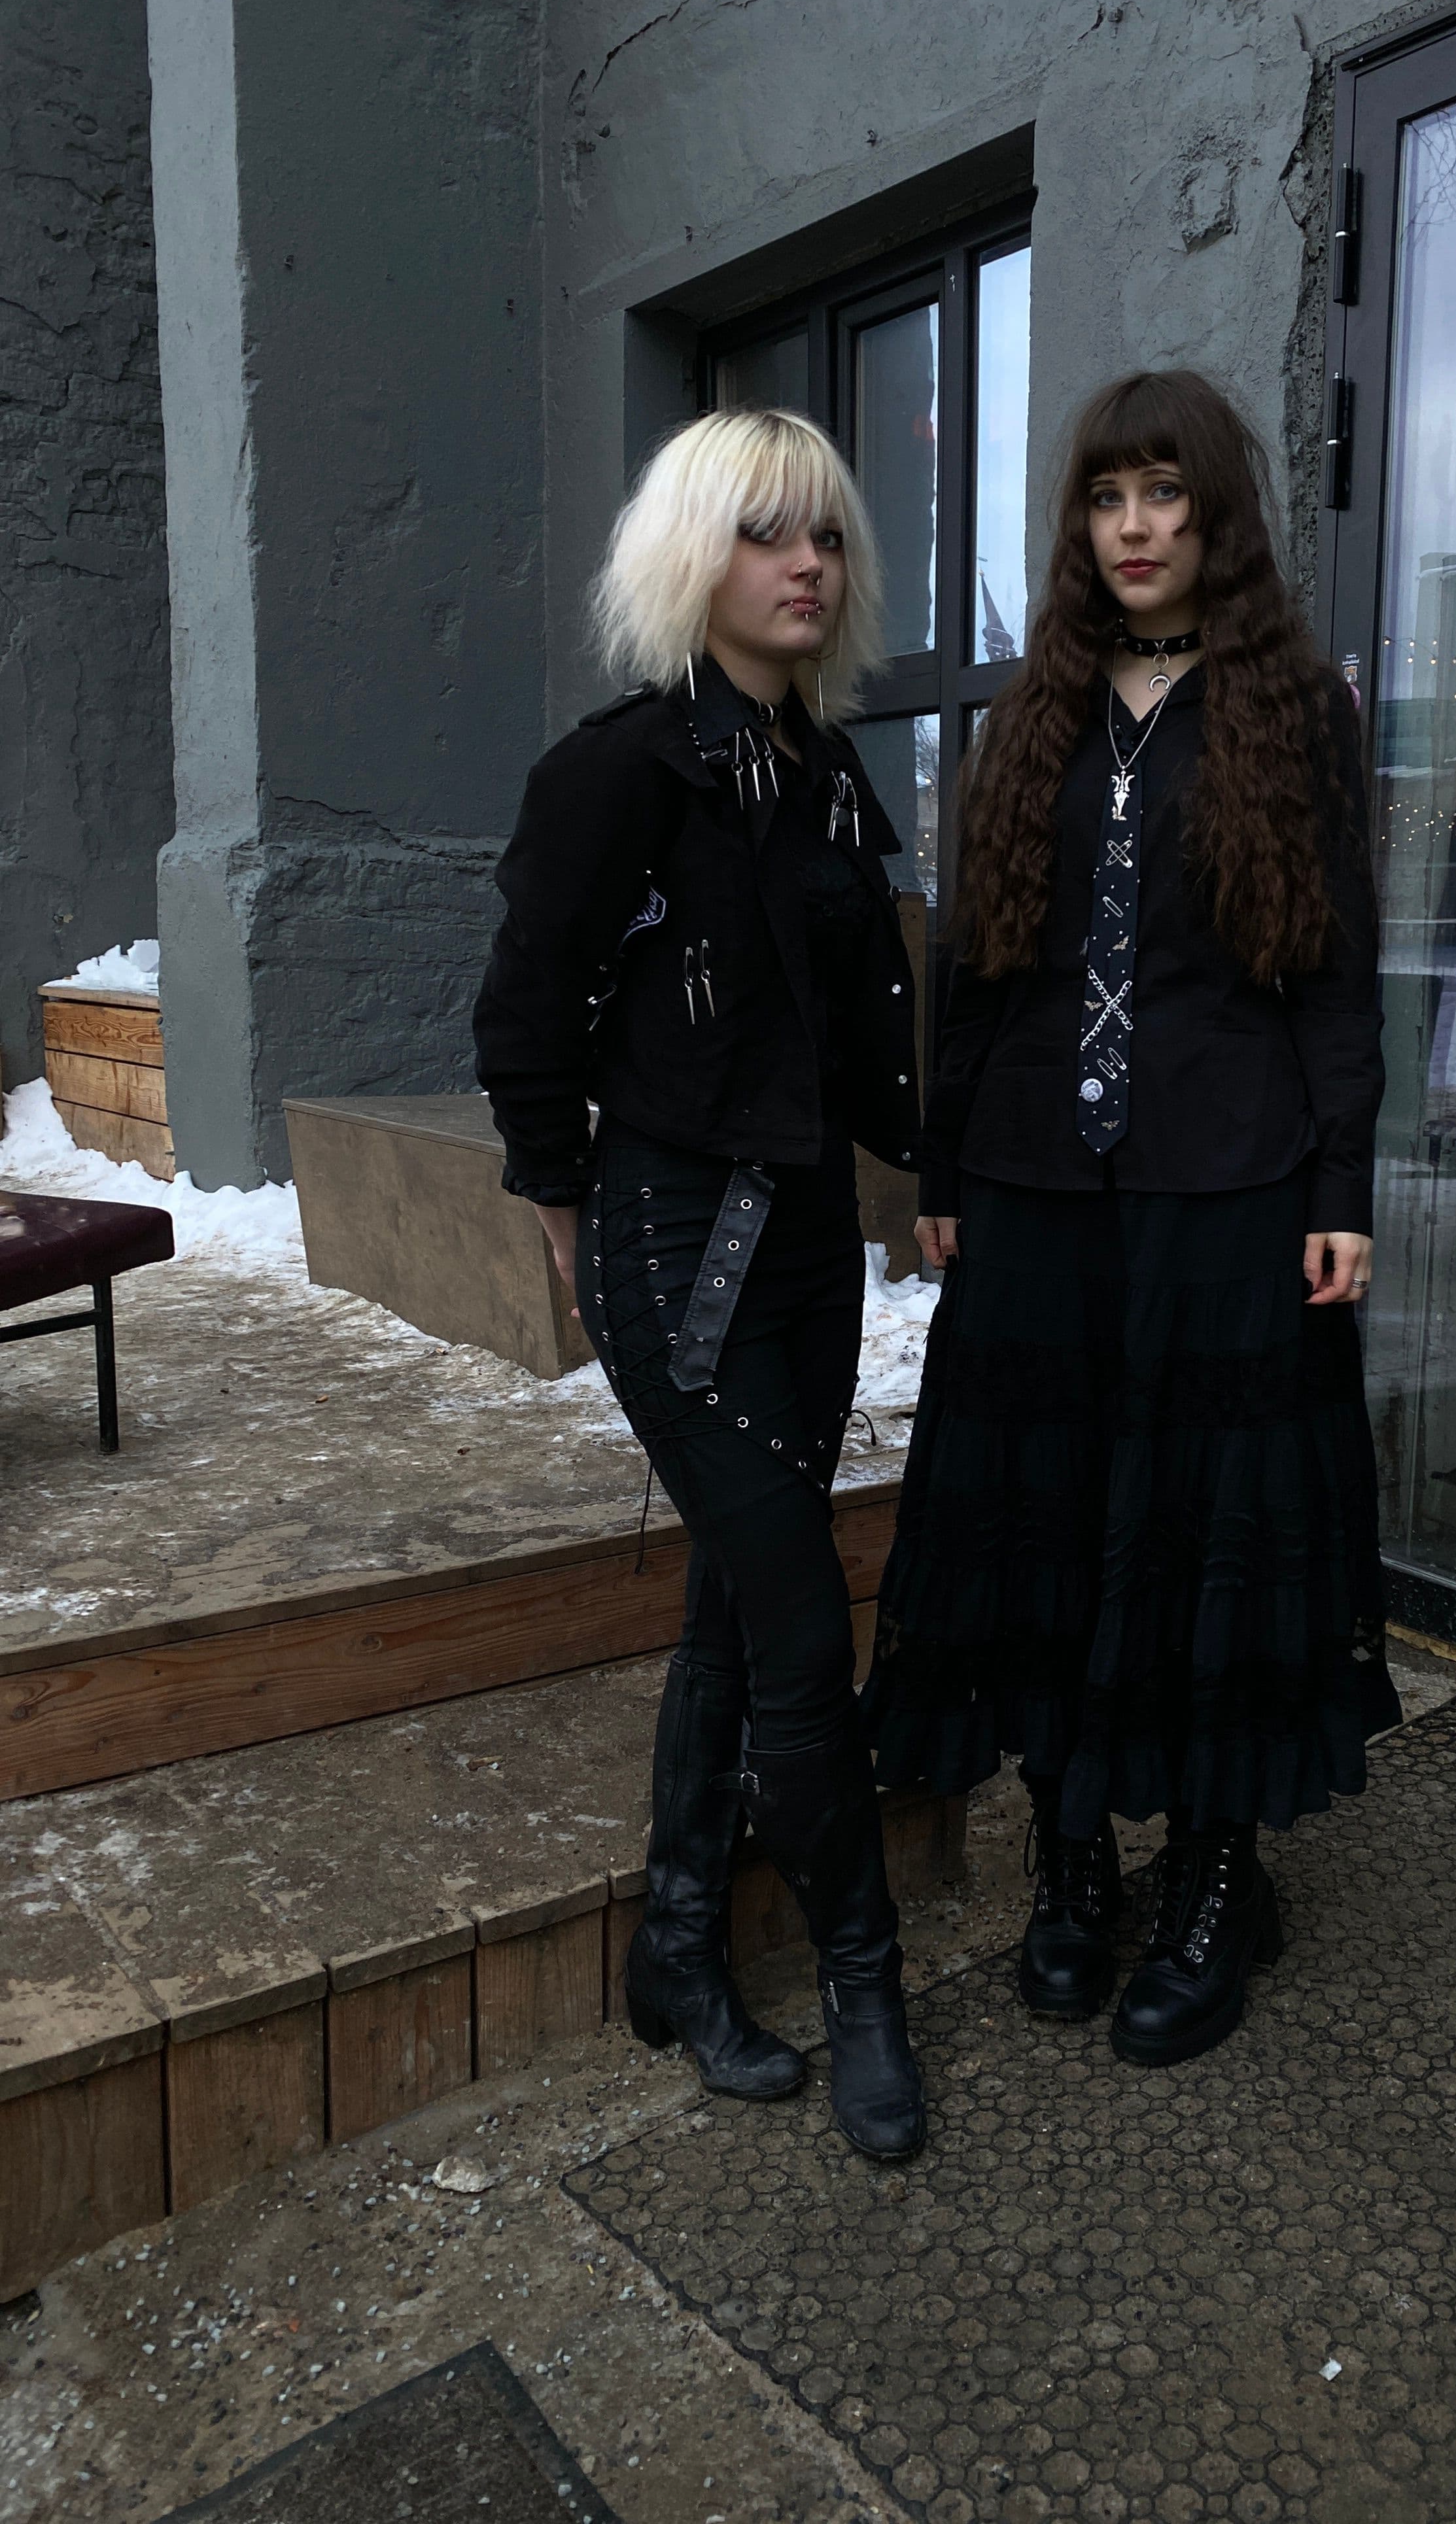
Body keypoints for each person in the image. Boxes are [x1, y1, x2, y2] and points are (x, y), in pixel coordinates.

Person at [864, 369, 1398, 2069]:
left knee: (1201, 1521)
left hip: (1231, 1185)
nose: (1136, 526)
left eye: (1165, 492)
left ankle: (1215, 1880)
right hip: (1037, 1186)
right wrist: (946, 1170)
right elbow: (972, 966)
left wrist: (1341, 1184)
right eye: (1107, 498)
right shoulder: (1033, 710)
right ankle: (1073, 1860)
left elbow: (1335, 969)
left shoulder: (1294, 709)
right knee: (1048, 1521)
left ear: (1214, 508)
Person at [474, 407, 926, 2158]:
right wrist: (561, 1201)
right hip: (679, 1249)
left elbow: (863, 1027)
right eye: (764, 533)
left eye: (825, 534)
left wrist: (946, 1171)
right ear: (692, 557)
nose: (805, 562)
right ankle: (869, 1988)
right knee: (803, 1626)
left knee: (741, 1603)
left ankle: (677, 1944)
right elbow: (527, 1007)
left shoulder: (825, 774)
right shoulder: (621, 772)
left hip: (807, 1247)